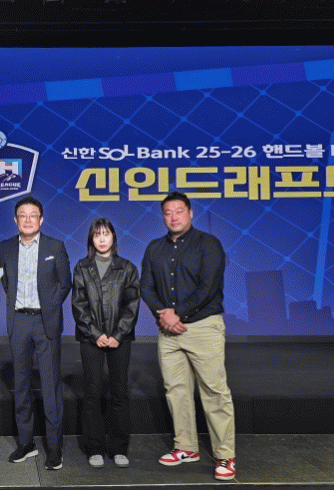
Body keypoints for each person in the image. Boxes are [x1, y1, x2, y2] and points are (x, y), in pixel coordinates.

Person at [140, 191, 236, 481]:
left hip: (203, 327)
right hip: (168, 331)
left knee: (214, 392)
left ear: (190, 213)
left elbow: (209, 286)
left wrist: (177, 313)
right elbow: (146, 287)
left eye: (179, 211)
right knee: (176, 390)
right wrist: (164, 314)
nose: (174, 217)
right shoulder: (154, 247)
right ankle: (186, 447)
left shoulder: (208, 244)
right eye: (168, 212)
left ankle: (225, 455)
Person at [0, 196, 72, 470]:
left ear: (41, 219)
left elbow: (65, 283)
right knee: (21, 385)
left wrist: (49, 306)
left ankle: (54, 448)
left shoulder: (55, 246)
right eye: (22, 215)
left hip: (45, 322)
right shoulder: (6, 247)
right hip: (19, 321)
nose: (27, 219)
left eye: (33, 215)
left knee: (50, 385)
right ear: (15, 219)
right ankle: (26, 443)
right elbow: (7, 283)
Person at [71, 217, 140, 469]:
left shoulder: (127, 268)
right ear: (91, 239)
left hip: (120, 339)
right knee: (92, 392)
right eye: (97, 234)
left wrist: (118, 334)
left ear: (113, 237)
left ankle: (119, 448)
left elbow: (132, 304)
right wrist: (95, 333)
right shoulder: (82, 267)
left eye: (106, 234)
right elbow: (79, 304)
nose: (102, 239)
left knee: (119, 391)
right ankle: (95, 448)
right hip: (91, 339)